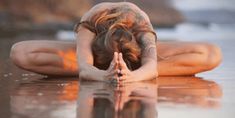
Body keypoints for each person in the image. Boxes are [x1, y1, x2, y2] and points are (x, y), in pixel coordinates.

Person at [10, 2, 222, 83]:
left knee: (213, 54)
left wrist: (130, 76)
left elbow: (149, 62)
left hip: (134, 58)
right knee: (20, 53)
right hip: (92, 58)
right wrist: (103, 74)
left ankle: (124, 68)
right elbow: (84, 66)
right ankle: (107, 66)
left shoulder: (140, 24)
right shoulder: (90, 23)